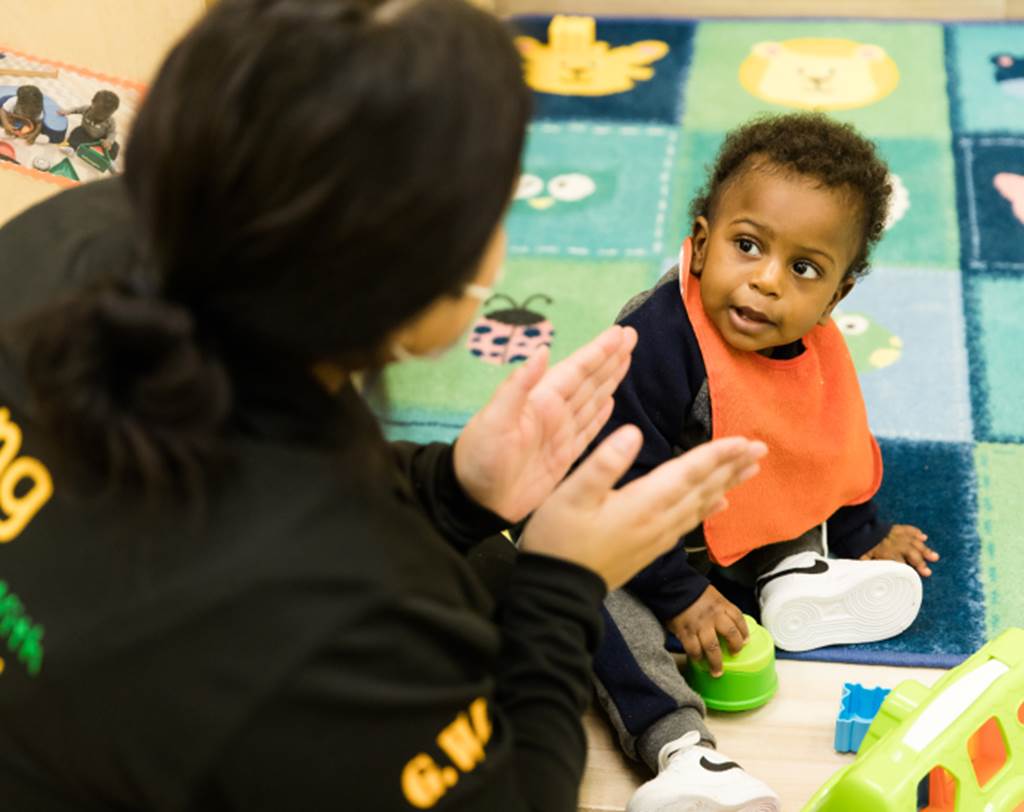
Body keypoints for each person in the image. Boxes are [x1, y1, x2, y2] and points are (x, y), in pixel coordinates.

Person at [0, 1, 766, 809]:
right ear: (409, 294)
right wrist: (566, 583)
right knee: (509, 582)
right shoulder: (350, 613)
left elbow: (245, 468)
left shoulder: (69, 234)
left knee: (486, 563)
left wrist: (456, 488)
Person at [584, 113, 941, 812]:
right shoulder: (653, 346)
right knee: (583, 599)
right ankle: (683, 752)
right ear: (699, 242)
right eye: (748, 246)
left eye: (804, 269)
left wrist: (864, 532)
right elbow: (613, 488)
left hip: (711, 517)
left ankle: (795, 572)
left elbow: (822, 444)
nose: (768, 282)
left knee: (778, 473)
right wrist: (676, 595)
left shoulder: (810, 341)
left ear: (836, 296)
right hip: (614, 527)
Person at [59, 90, 122, 160]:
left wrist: (109, 141)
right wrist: (67, 111)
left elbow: (112, 132)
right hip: (85, 133)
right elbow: (76, 109)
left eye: (105, 116)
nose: (100, 117)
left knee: (115, 147)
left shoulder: (110, 121)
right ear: (92, 103)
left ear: (112, 113)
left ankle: (104, 157)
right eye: (97, 113)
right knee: (76, 132)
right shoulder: (87, 109)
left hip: (99, 140)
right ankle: (71, 148)